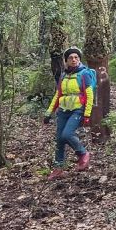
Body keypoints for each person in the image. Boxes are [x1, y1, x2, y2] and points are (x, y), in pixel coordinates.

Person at [44, 47, 93, 179]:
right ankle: (58, 168)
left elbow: (89, 94)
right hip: (63, 111)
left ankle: (83, 153)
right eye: (71, 58)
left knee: (67, 134)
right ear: (66, 60)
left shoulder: (84, 74)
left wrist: (87, 114)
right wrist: (49, 112)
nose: (74, 60)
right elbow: (58, 95)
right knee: (59, 139)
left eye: (76, 57)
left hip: (77, 109)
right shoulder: (63, 75)